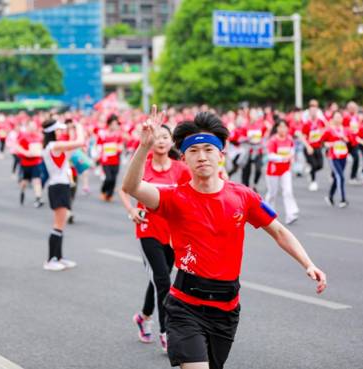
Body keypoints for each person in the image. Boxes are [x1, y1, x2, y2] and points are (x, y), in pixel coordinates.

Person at [122, 107, 327, 369]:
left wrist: (308, 264)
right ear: (183, 158)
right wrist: (143, 147)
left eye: (209, 149)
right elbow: (132, 187)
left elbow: (279, 231)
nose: (202, 157)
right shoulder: (174, 197)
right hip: (185, 306)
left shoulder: (244, 196)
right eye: (194, 152)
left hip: (226, 308)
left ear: (221, 154)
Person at [119, 124, 191, 352]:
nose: (160, 141)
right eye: (157, 137)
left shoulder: (181, 169)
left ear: (171, 141)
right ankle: (166, 332)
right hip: (148, 230)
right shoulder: (143, 166)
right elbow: (125, 188)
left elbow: (191, 192)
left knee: (159, 280)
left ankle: (143, 317)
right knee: (162, 280)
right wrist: (131, 211)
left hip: (172, 234)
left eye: (165, 137)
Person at [41, 119, 85, 271]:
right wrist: (79, 126)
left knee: (61, 224)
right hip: (58, 186)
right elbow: (80, 142)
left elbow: (72, 150)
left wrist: (72, 130)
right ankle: (51, 259)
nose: (60, 132)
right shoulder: (54, 146)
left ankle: (58, 257)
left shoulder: (54, 146)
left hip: (61, 185)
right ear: (52, 131)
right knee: (58, 225)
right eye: (58, 130)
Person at [265, 120, 299, 225]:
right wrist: (282, 157)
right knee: (272, 193)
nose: (283, 129)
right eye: (280, 127)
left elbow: (292, 150)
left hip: (285, 169)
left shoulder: (289, 139)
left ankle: (291, 214)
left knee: (288, 191)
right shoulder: (273, 140)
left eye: (285, 127)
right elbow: (270, 155)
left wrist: (291, 157)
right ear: (277, 128)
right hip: (273, 170)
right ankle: (267, 213)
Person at [322, 112, 350, 208]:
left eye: (340, 117)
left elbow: (350, 141)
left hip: (343, 156)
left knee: (337, 177)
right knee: (341, 177)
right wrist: (328, 144)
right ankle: (343, 199)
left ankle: (330, 196)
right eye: (336, 117)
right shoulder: (329, 130)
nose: (338, 119)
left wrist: (345, 139)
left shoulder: (345, 130)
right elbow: (322, 141)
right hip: (333, 157)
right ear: (333, 119)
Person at [16, 120, 45, 207]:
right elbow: (17, 147)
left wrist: (41, 153)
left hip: (36, 162)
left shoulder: (39, 137)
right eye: (31, 126)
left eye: (34, 126)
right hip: (25, 163)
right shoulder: (23, 136)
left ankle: (38, 198)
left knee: (37, 180)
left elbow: (42, 147)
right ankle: (22, 191)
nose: (33, 128)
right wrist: (26, 153)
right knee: (25, 181)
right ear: (28, 127)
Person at [98, 114, 124, 201]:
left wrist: (117, 148)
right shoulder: (102, 134)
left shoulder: (118, 135)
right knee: (108, 178)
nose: (115, 126)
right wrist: (99, 155)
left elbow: (121, 147)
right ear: (109, 124)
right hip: (105, 160)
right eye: (113, 124)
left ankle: (109, 195)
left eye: (116, 124)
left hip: (115, 160)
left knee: (113, 179)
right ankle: (103, 191)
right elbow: (99, 145)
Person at [301, 99, 326, 191]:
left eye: (315, 111)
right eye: (311, 111)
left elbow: (326, 128)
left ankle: (310, 171)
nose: (313, 113)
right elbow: (303, 137)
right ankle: (313, 181)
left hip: (318, 147)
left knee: (320, 165)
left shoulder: (320, 121)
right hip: (309, 148)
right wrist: (308, 146)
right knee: (314, 165)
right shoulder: (306, 124)